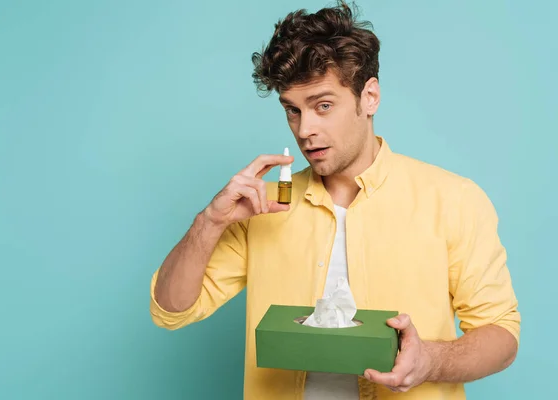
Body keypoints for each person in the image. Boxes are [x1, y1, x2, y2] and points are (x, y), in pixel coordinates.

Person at [149, 1, 520, 399]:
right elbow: (171, 310)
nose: (305, 129)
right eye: (292, 111)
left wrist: (429, 359)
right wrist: (210, 221)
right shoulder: (260, 207)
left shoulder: (454, 199)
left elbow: (501, 333)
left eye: (322, 106)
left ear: (370, 97)